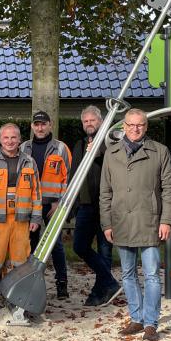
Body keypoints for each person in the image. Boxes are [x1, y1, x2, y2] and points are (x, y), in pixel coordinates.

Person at [99, 110, 171, 341]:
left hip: (149, 220)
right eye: (131, 125)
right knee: (128, 274)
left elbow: (169, 189)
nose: (135, 129)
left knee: (152, 274)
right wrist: (106, 222)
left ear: (146, 127)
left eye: (140, 125)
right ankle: (136, 318)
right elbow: (105, 192)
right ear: (123, 126)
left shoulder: (160, 151)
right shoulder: (111, 153)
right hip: (121, 220)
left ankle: (151, 322)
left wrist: (166, 220)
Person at [0, 123, 42, 311]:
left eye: (14, 137)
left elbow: (36, 192)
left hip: (21, 220)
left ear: (19, 139)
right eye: (6, 138)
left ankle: (16, 296)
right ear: (0, 139)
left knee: (20, 261)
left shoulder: (29, 161)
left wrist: (36, 218)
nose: (10, 141)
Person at [71, 105, 121, 306]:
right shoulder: (80, 145)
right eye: (85, 121)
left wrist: (99, 150)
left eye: (92, 120)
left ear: (100, 122)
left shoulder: (111, 143)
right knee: (79, 246)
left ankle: (99, 292)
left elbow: (116, 165)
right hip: (85, 206)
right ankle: (109, 282)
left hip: (106, 206)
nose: (89, 124)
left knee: (104, 250)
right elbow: (73, 176)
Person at [22, 111, 72, 299]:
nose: (40, 127)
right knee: (31, 243)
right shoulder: (24, 148)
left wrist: (60, 203)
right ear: (32, 126)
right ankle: (32, 281)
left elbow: (68, 178)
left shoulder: (61, 148)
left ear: (50, 125)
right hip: (30, 204)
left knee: (56, 245)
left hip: (53, 205)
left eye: (43, 124)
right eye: (37, 124)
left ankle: (62, 283)